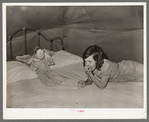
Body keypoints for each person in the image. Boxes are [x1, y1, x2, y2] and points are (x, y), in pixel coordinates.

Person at [78, 45, 144, 89]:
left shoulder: (106, 66)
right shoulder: (92, 67)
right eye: (85, 61)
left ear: (97, 60)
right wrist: (85, 83)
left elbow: (102, 86)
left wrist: (90, 74)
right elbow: (90, 80)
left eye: (89, 61)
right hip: (126, 77)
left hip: (129, 69)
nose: (86, 64)